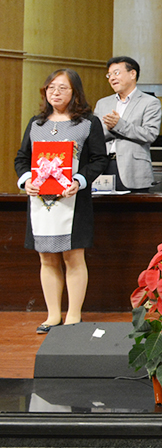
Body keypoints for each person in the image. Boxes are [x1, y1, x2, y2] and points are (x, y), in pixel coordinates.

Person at [14, 69, 109, 333]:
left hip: (74, 200)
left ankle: (74, 316)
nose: (55, 93)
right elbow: (22, 158)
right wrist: (26, 180)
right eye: (51, 88)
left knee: (73, 257)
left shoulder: (88, 122)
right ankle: (53, 315)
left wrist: (79, 180)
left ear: (75, 92)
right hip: (41, 203)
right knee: (46, 258)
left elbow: (99, 159)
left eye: (62, 88)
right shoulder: (36, 123)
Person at [94, 57, 162, 192]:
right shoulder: (102, 103)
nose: (112, 78)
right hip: (104, 167)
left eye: (116, 73)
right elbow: (95, 135)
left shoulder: (150, 102)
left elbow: (150, 134)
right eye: (109, 75)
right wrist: (110, 128)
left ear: (132, 74)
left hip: (133, 170)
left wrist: (119, 125)